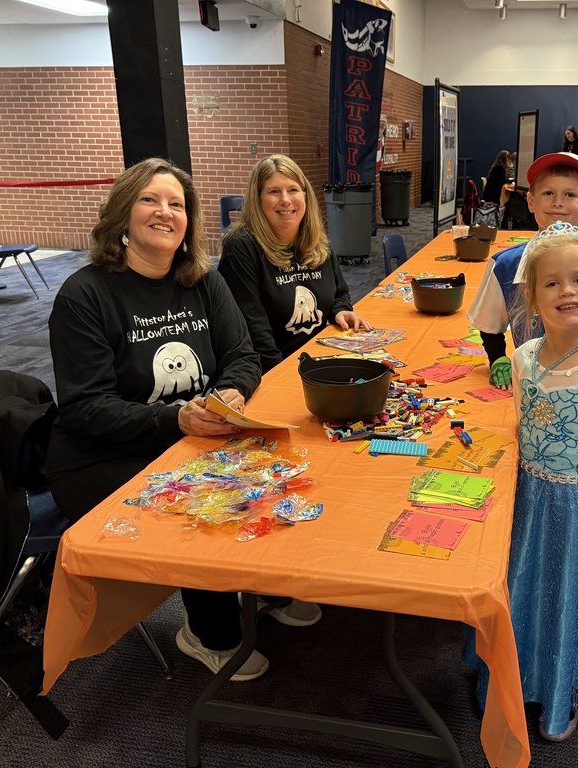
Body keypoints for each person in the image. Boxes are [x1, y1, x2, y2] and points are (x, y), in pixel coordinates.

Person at [47, 157, 277, 685]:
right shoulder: (85, 294)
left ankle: (265, 586)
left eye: (177, 204)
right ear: (123, 214)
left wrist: (228, 398)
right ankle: (209, 634)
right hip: (98, 454)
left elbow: (243, 355)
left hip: (189, 430)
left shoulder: (202, 281)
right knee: (203, 496)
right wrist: (179, 421)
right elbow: (85, 408)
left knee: (275, 467)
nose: (165, 212)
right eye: (150, 200)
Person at [472, 222, 578, 742]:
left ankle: (564, 692)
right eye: (552, 283)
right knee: (531, 591)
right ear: (531, 297)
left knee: (575, 599)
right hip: (534, 500)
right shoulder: (522, 359)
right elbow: (523, 431)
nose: (567, 292)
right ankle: (524, 678)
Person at [466, 151, 578, 390]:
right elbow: (489, 324)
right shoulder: (505, 266)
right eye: (548, 193)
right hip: (528, 384)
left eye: (570, 194)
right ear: (531, 201)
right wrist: (498, 358)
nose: (557, 202)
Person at [218, 155, 370, 374]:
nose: (286, 200)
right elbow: (254, 331)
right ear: (258, 198)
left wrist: (341, 311)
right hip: (270, 370)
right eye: (273, 191)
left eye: (293, 190)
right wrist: (284, 375)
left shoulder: (316, 241)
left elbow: (339, 293)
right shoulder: (241, 247)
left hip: (315, 357)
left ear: (305, 196)